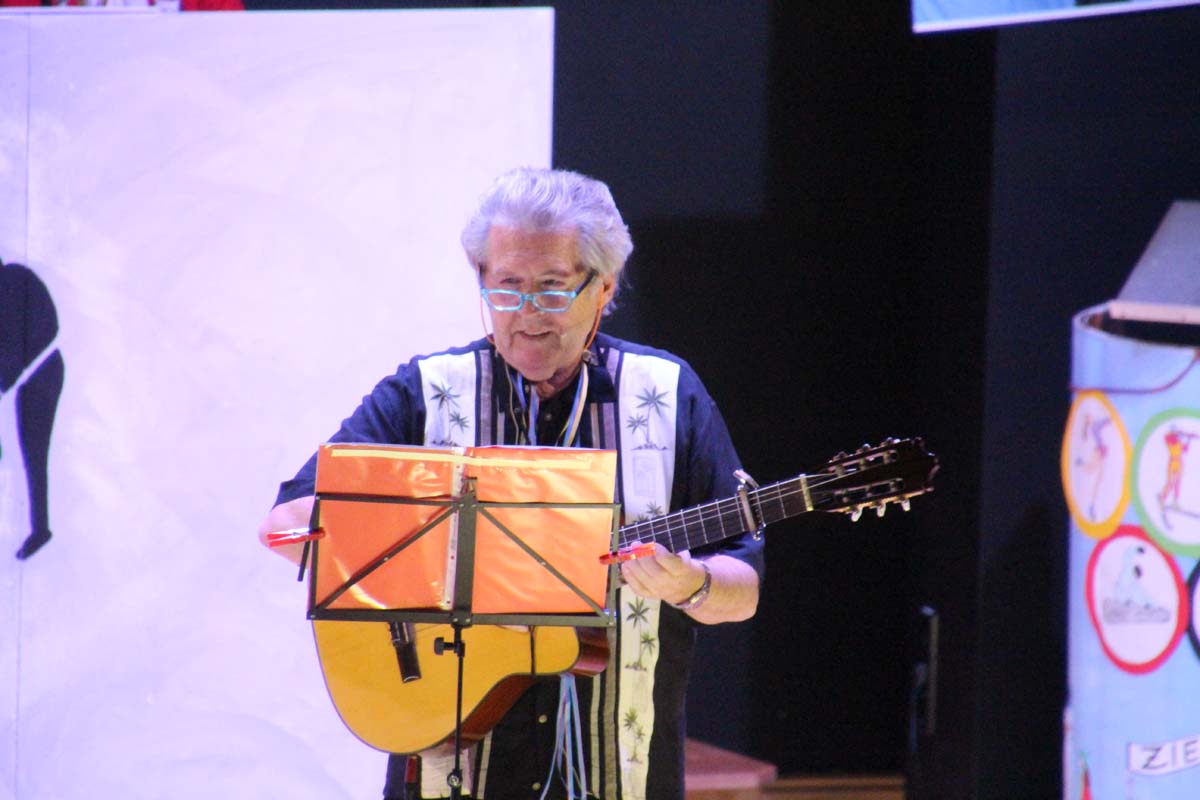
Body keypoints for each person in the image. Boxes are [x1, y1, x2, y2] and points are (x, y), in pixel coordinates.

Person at [258, 167, 764, 800]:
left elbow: (743, 589)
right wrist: (450, 564)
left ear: (604, 286)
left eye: (551, 290)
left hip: (621, 771)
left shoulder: (666, 394)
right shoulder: (427, 392)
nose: (526, 316)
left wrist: (689, 583)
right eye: (506, 289)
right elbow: (286, 525)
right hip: (451, 761)